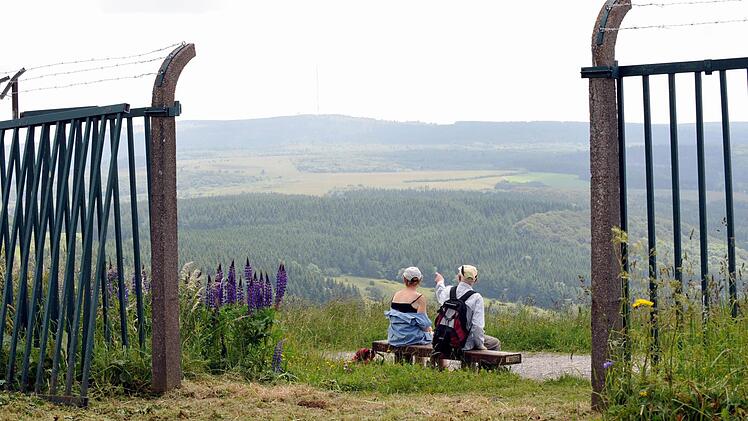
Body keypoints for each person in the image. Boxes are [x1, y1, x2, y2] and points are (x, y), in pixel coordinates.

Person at [434, 264, 500, 351]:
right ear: (475, 280)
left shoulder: (448, 290)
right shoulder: (476, 297)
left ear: (459, 277)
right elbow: (477, 326)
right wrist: (480, 345)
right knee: (495, 343)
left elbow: (440, 294)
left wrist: (440, 282)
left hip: (443, 339)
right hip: (463, 344)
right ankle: (484, 365)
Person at [384, 266, 433, 346]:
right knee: (432, 337)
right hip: (411, 338)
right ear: (420, 280)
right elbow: (423, 324)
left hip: (394, 337)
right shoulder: (419, 298)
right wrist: (430, 331)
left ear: (404, 279)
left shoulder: (396, 295)